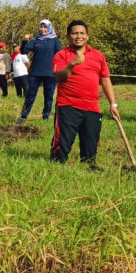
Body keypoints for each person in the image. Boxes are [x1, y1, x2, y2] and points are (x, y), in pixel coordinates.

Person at [50, 20, 120, 168]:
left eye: (82, 33)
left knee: (90, 149)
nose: (78, 36)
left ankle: (88, 168)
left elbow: (106, 80)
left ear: (87, 36)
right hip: (68, 106)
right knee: (61, 148)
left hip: (92, 107)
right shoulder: (61, 55)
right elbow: (59, 77)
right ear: (68, 37)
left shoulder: (98, 56)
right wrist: (72, 64)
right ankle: (55, 167)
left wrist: (113, 104)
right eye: (75, 33)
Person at [16, 19, 61, 124]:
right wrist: (25, 40)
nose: (43, 29)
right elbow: (23, 51)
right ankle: (23, 116)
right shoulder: (36, 40)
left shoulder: (54, 40)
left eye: (45, 27)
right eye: (41, 27)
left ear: (49, 28)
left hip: (50, 73)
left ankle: (45, 117)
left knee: (48, 96)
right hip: (35, 73)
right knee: (30, 94)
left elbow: (59, 55)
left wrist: (58, 70)